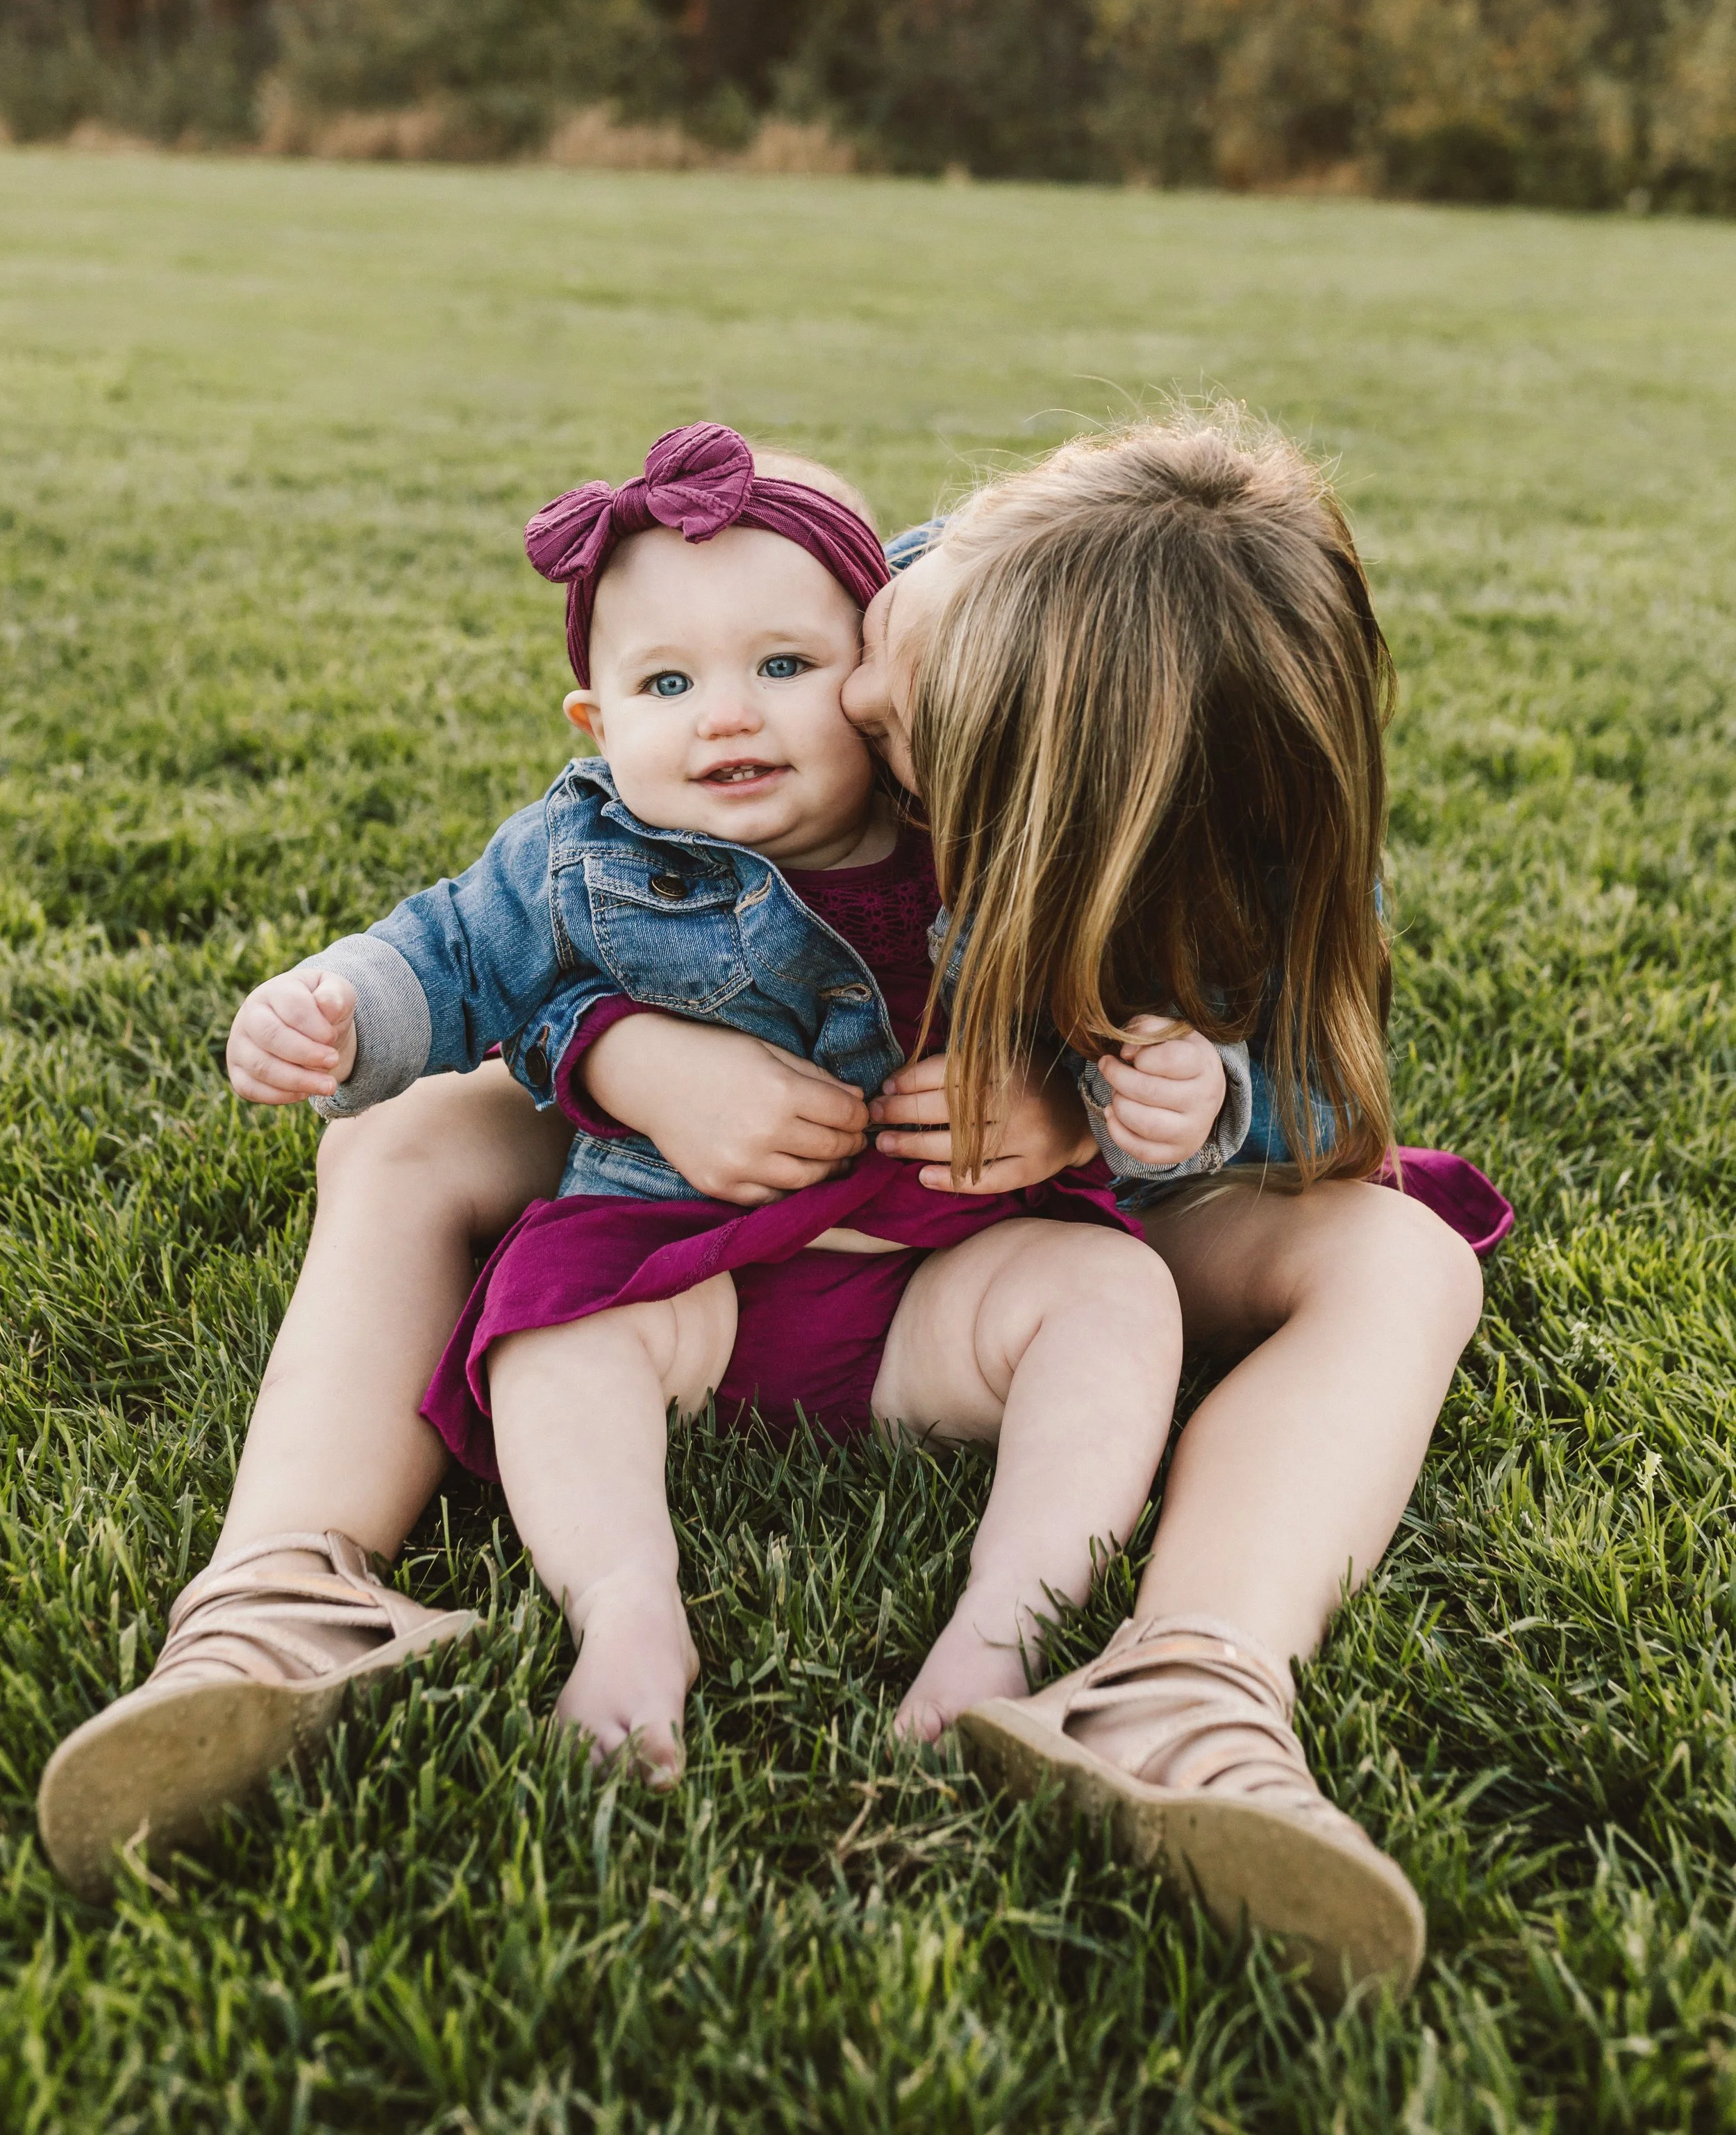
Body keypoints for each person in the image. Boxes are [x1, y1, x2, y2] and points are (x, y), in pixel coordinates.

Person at [39, 411, 1485, 2002]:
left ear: (1061, 824)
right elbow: (528, 920)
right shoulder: (917, 613)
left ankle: (1190, 1689)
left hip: (981, 1221)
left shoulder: (1150, 784)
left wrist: (1131, 1099)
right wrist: (618, 1053)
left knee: (1401, 1258)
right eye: (882, 634)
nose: (850, 694)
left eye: (897, 712)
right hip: (696, 1184)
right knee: (397, 1136)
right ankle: (281, 1596)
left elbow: (1325, 1088)